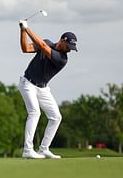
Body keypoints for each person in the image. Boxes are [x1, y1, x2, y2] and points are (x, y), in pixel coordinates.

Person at [18, 19, 78, 159]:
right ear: (62, 40)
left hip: (43, 88)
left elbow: (43, 45)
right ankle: (28, 150)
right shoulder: (48, 43)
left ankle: (44, 149)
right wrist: (22, 31)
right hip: (27, 83)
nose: (69, 49)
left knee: (56, 117)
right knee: (34, 113)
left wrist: (27, 28)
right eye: (68, 46)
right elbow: (25, 48)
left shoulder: (62, 59)